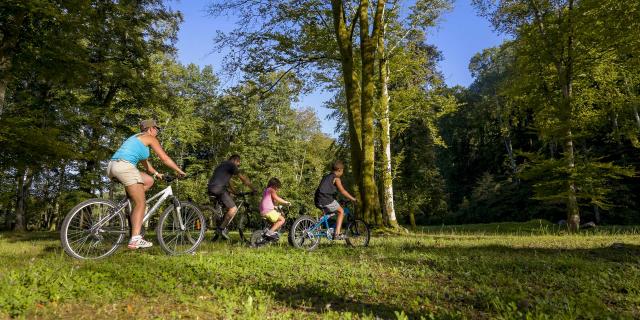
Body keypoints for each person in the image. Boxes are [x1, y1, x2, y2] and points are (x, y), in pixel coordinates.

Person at [107, 119, 186, 249]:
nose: (157, 132)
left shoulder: (136, 139)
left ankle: (132, 208)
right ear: (150, 129)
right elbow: (164, 158)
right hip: (125, 167)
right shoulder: (150, 138)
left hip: (112, 167)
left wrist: (157, 174)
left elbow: (147, 166)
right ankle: (135, 239)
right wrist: (179, 170)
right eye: (157, 129)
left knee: (149, 180)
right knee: (141, 203)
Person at [208, 154, 256, 239]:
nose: (237, 166)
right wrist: (253, 188)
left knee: (229, 201)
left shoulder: (223, 165)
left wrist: (234, 192)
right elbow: (243, 179)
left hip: (211, 187)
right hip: (219, 188)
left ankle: (222, 225)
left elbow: (229, 181)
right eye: (238, 164)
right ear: (235, 160)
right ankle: (221, 229)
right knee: (233, 209)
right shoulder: (231, 165)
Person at [314, 160, 357, 240]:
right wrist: (353, 199)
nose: (342, 173)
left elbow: (326, 189)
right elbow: (343, 191)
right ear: (339, 170)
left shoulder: (327, 177)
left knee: (330, 211)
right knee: (341, 211)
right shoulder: (336, 178)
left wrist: (338, 200)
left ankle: (319, 226)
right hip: (325, 199)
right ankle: (337, 234)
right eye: (342, 171)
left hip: (318, 199)